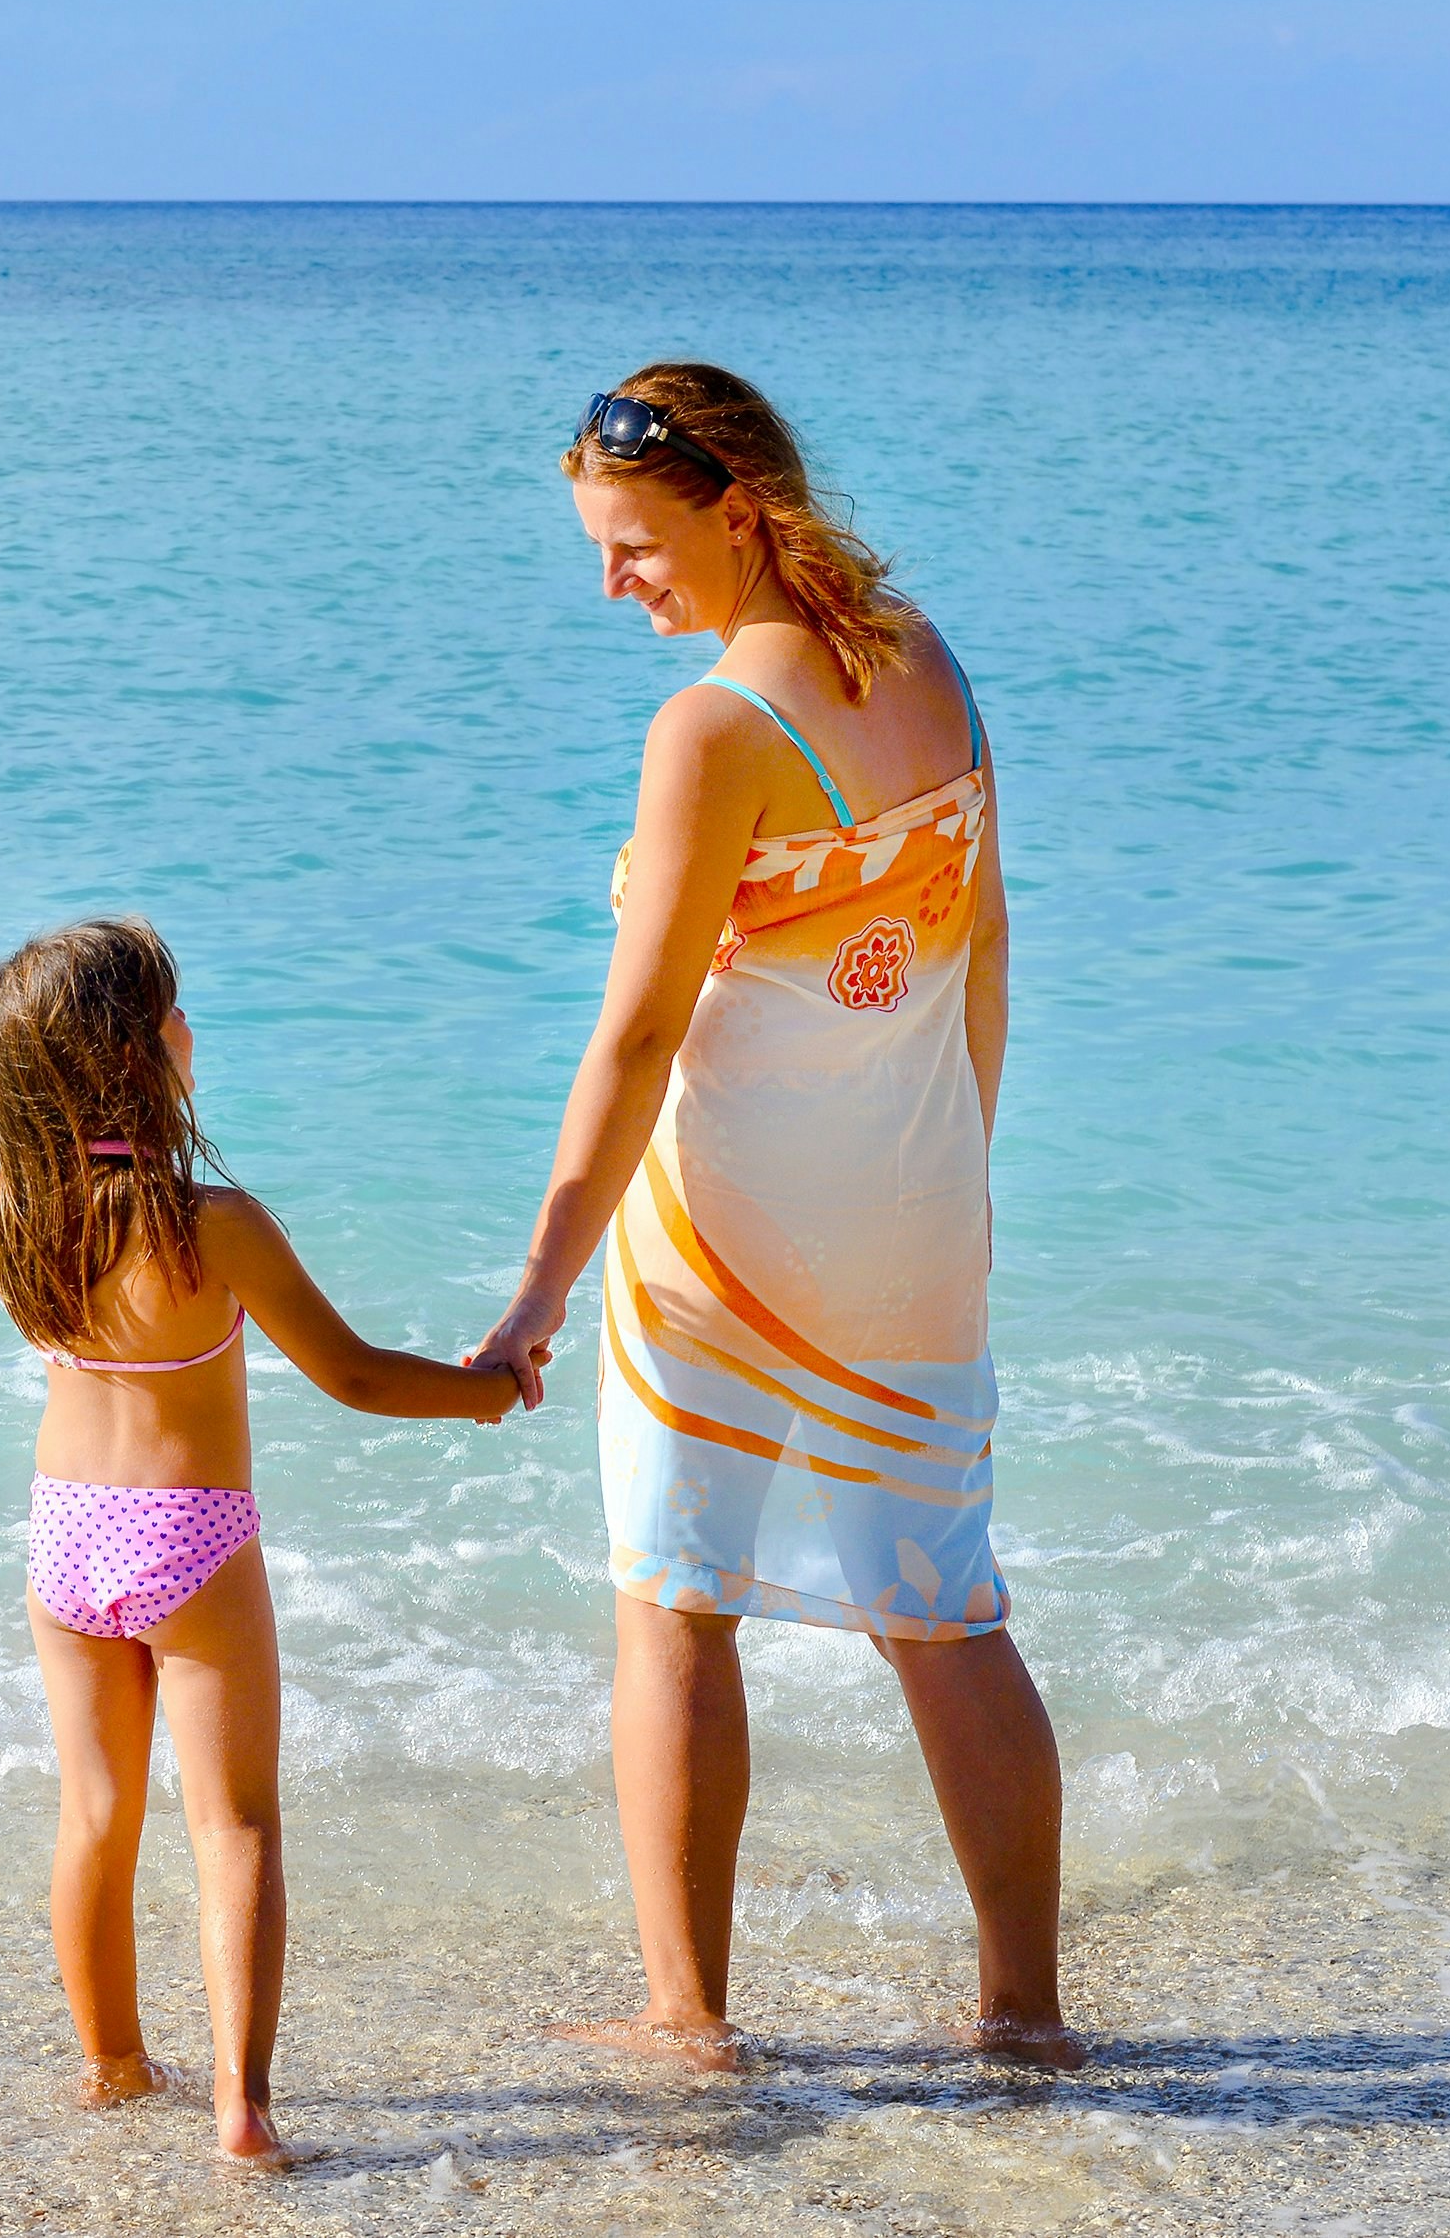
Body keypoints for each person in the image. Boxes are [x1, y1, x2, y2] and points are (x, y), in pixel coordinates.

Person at [466, 364, 1080, 2070]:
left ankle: (688, 2010)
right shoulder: (922, 656)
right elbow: (986, 945)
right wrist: (958, 1166)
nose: (611, 584)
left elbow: (640, 1033)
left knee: (672, 1598)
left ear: (734, 509)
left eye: (631, 545)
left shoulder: (715, 732)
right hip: (910, 1215)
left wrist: (536, 1283)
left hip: (721, 1236)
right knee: (942, 1604)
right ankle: (1022, 2011)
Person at [0, 916, 519, 2166]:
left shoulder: (10, 1205)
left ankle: (110, 2062)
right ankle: (242, 2107)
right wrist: (491, 1388)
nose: (187, 1029)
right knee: (235, 1825)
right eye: (170, 1014)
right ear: (130, 1054)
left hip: (64, 1534)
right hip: (191, 1534)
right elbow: (357, 1377)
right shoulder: (208, 1219)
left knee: (96, 1812)